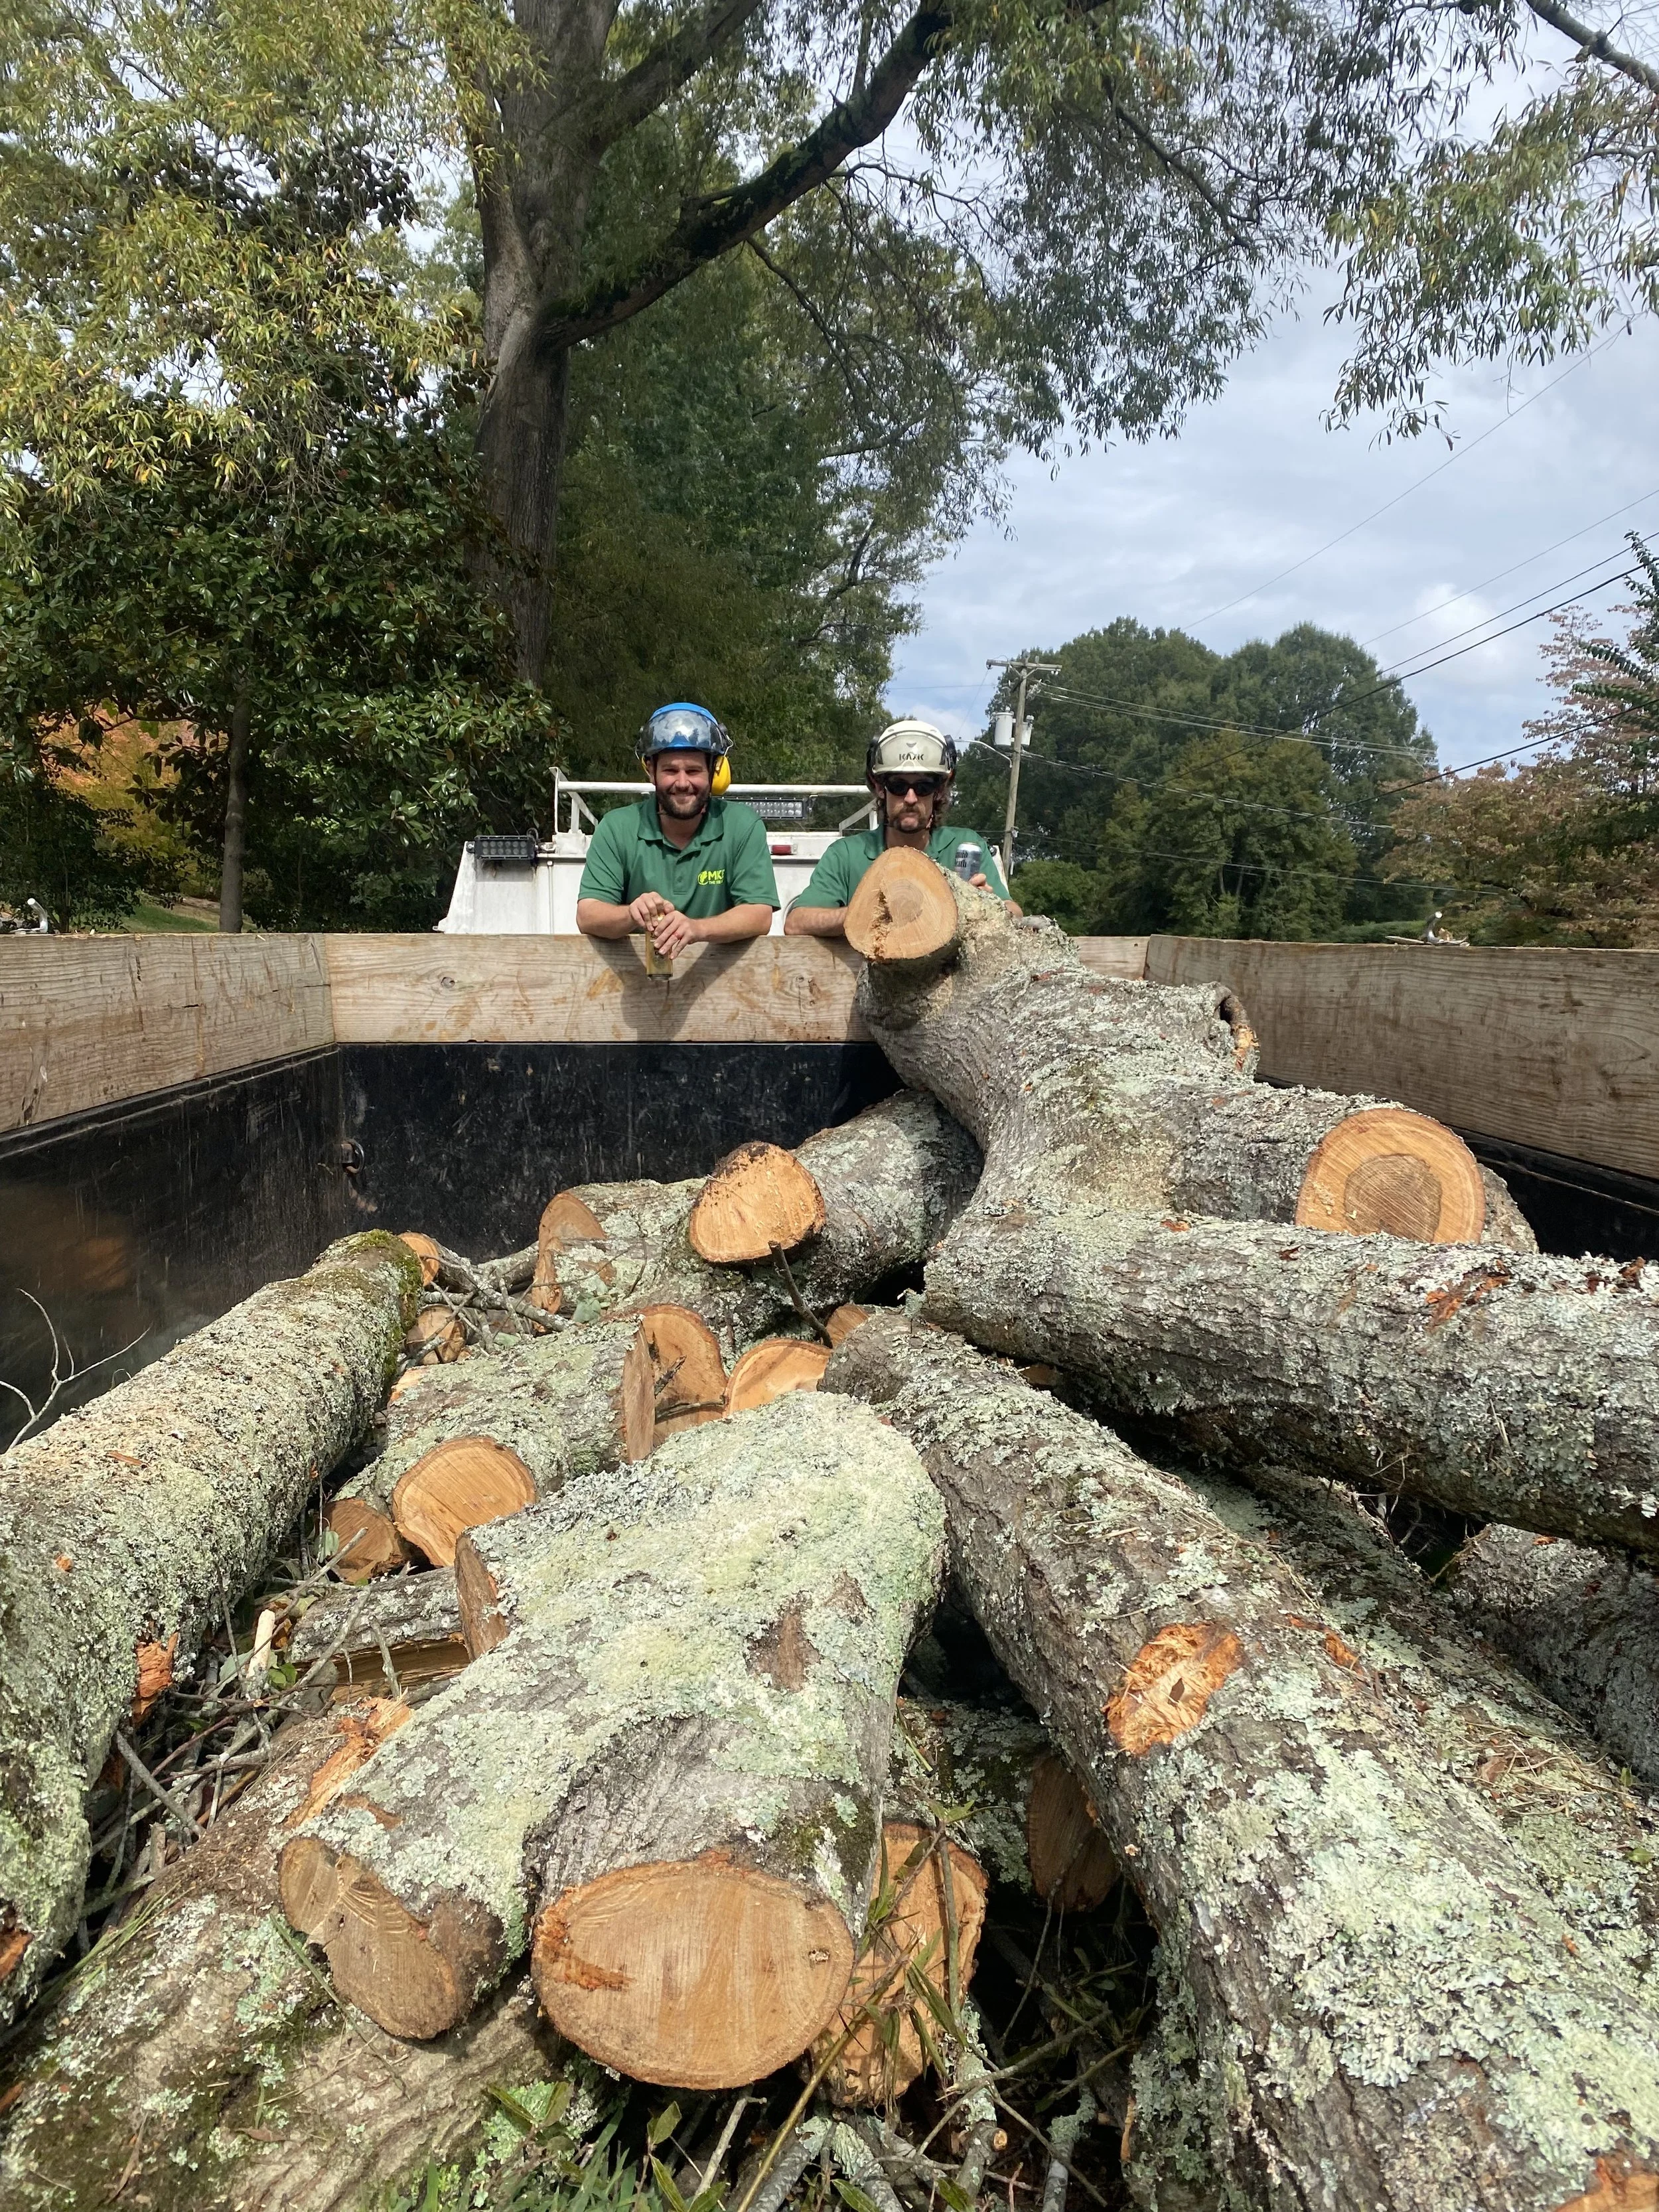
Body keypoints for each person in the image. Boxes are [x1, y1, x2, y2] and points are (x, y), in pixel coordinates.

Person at [576, 703, 778, 958]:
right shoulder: (616, 827)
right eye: (670, 770)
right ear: (650, 770)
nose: (682, 783)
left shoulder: (743, 825)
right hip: (635, 985)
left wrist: (696, 929)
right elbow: (588, 915)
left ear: (714, 770)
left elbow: (759, 915)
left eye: (693, 771)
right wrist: (631, 914)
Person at [784, 719, 1017, 936]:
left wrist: (989, 906)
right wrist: (869, 913)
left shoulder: (965, 845)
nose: (911, 798)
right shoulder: (846, 855)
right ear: (878, 787)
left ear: (939, 790)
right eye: (898, 785)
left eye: (924, 786)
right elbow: (796, 923)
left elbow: (1015, 913)